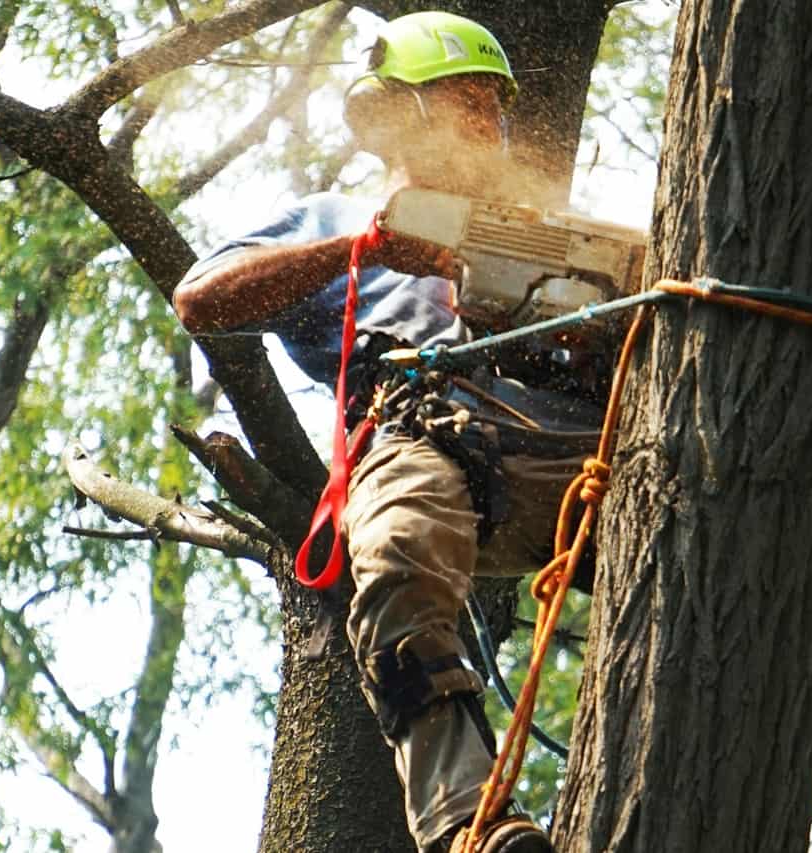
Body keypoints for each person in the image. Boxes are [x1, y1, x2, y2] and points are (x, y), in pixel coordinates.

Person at [173, 12, 603, 853]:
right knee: (399, 550)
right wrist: (364, 246)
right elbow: (201, 298)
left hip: (570, 447)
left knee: (692, 513)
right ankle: (467, 822)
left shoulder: (533, 229)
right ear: (397, 115)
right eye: (464, 102)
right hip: (424, 434)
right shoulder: (332, 218)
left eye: (493, 106)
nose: (487, 123)